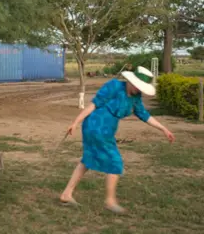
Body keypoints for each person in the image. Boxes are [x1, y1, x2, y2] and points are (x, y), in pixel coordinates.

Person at [59, 66, 175, 214]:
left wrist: (164, 129)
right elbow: (94, 104)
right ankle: (110, 201)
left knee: (87, 159)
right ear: (131, 82)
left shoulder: (135, 98)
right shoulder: (114, 86)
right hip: (96, 126)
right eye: (138, 86)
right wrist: (76, 122)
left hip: (107, 130)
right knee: (115, 162)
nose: (139, 90)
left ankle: (66, 194)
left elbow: (144, 115)